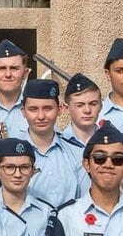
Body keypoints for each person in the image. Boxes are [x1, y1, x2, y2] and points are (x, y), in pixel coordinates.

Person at [19, 78, 83, 209]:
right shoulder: (11, 155)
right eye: (33, 109)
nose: (41, 116)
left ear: (59, 110)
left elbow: (84, 199)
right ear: (23, 112)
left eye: (48, 108)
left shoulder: (77, 153)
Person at [0, 40, 31, 137]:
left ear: (25, 73)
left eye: (14, 68)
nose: (8, 74)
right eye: (2, 68)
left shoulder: (36, 110)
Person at [60, 73, 105, 146]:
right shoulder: (59, 144)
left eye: (93, 104)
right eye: (80, 105)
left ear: (101, 106)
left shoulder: (112, 143)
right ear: (66, 108)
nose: (87, 110)